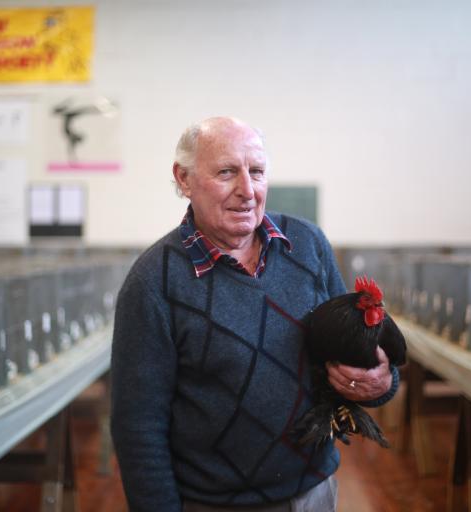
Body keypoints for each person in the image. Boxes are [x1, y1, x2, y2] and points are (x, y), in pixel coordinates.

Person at [110, 116, 399, 512]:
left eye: (257, 171)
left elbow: (355, 349)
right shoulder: (153, 282)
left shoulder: (308, 244)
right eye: (227, 172)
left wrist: (381, 381)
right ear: (184, 179)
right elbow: (138, 426)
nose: (247, 190)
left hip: (315, 492)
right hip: (215, 504)